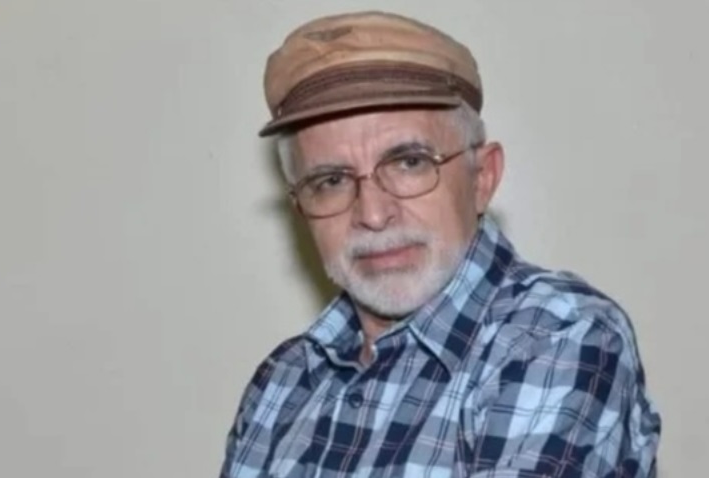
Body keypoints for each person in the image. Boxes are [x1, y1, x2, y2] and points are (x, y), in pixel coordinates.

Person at [220, 10, 661, 478]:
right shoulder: (282, 383)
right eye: (331, 180)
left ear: (482, 177)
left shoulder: (559, 337)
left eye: (409, 162)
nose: (373, 214)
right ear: (301, 208)